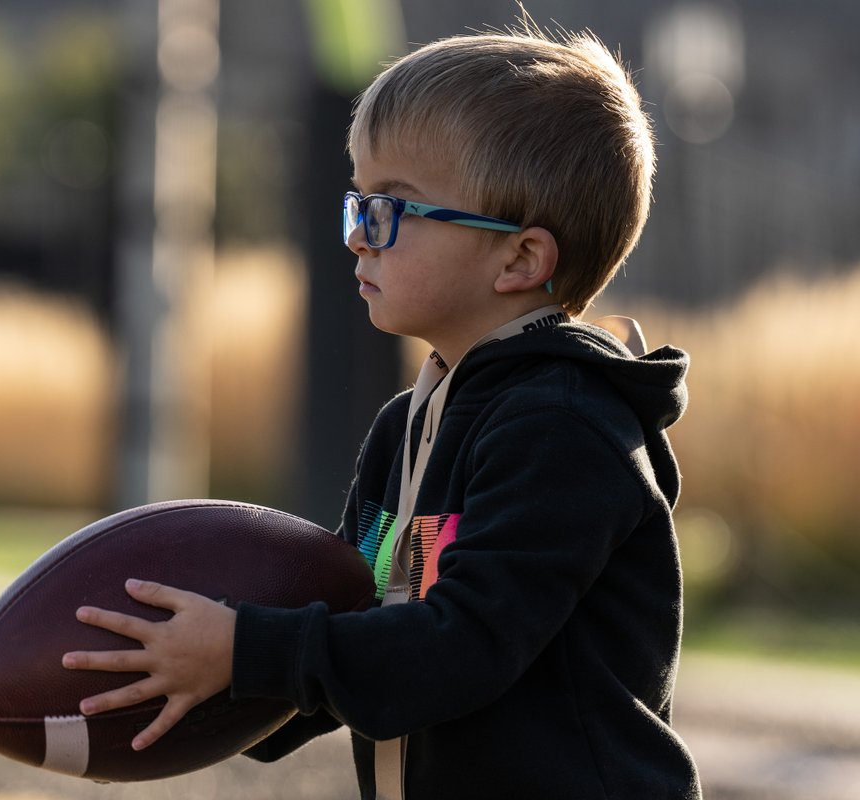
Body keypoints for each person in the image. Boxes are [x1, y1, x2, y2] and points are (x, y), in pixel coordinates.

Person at [62, 17, 702, 800]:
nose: (359, 239)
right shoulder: (406, 425)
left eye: (391, 210)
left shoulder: (563, 426)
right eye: (356, 204)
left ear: (521, 258)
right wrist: (204, 685)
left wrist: (249, 651)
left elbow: (461, 648)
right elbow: (359, 611)